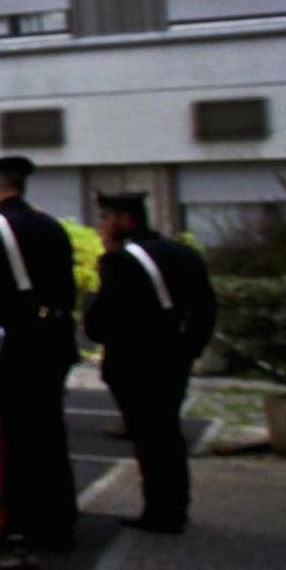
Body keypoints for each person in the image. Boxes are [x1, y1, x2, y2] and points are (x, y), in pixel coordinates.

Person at [0, 155, 80, 556]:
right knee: (49, 432)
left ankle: (14, 521)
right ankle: (59, 519)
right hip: (55, 338)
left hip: (17, 343)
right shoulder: (52, 225)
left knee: (12, 438)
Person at [85, 192, 215, 533]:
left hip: (135, 363)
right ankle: (175, 506)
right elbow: (206, 309)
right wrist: (190, 349)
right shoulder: (185, 254)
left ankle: (159, 511)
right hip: (175, 357)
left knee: (149, 439)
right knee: (168, 433)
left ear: (126, 220)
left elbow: (100, 322)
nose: (101, 228)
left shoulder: (120, 261)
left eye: (106, 219)